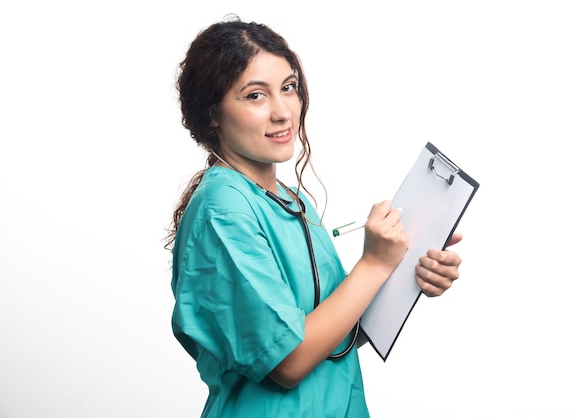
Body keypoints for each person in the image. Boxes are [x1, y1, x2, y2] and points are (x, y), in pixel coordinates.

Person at [165, 15, 463, 418]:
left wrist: (408, 271)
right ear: (212, 113)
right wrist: (374, 264)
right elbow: (287, 362)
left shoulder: (290, 200)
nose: (283, 112)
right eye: (255, 96)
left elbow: (335, 336)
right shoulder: (223, 210)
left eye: (289, 88)